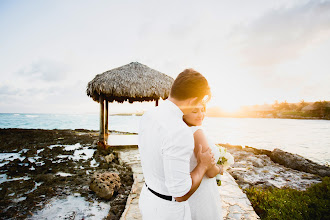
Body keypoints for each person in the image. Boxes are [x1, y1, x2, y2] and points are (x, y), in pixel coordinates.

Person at [138, 69, 215, 220]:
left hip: (147, 198)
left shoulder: (149, 115)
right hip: (169, 212)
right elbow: (180, 194)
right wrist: (203, 165)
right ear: (193, 100)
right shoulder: (179, 131)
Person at [183, 104, 223, 220]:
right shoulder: (196, 132)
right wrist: (219, 169)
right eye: (195, 111)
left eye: (203, 110)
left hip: (190, 189)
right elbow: (210, 172)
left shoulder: (180, 131)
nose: (201, 115)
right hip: (201, 192)